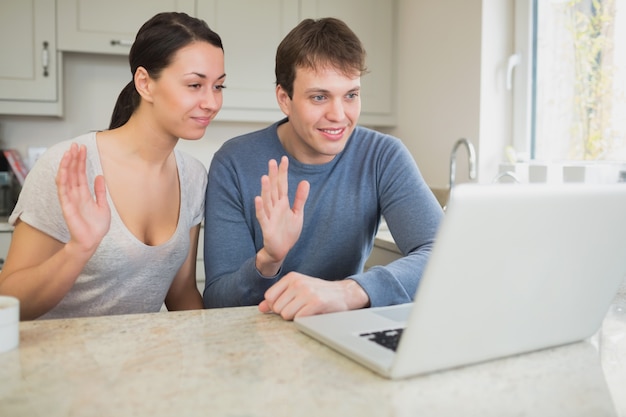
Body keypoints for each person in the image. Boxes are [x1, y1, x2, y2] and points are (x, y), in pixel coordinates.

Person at [203, 17, 443, 320]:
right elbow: (216, 302)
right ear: (284, 99)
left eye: (351, 95)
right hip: (256, 340)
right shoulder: (234, 162)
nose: (339, 115)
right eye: (319, 97)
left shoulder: (382, 156)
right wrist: (269, 259)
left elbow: (444, 255)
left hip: (344, 331)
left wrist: (350, 291)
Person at [0, 12, 226, 320]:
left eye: (218, 87)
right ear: (145, 83)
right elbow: (9, 301)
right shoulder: (69, 165)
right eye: (195, 85)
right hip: (53, 363)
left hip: (134, 361)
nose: (212, 102)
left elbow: (182, 290)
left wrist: (211, 354)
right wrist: (78, 249)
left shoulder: (193, 176)